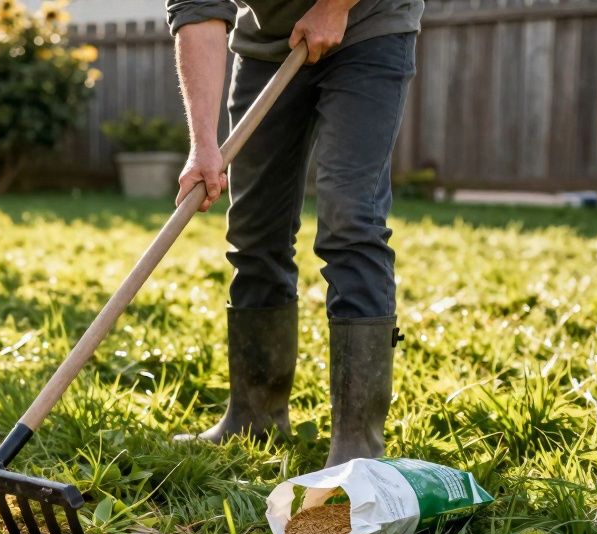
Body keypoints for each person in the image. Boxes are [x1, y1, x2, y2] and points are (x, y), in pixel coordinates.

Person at [167, 0, 421, 467]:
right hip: (266, 48)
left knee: (351, 219)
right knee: (254, 228)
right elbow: (199, 12)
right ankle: (254, 416)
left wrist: (334, 5)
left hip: (367, 27)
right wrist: (203, 145)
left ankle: (357, 446)